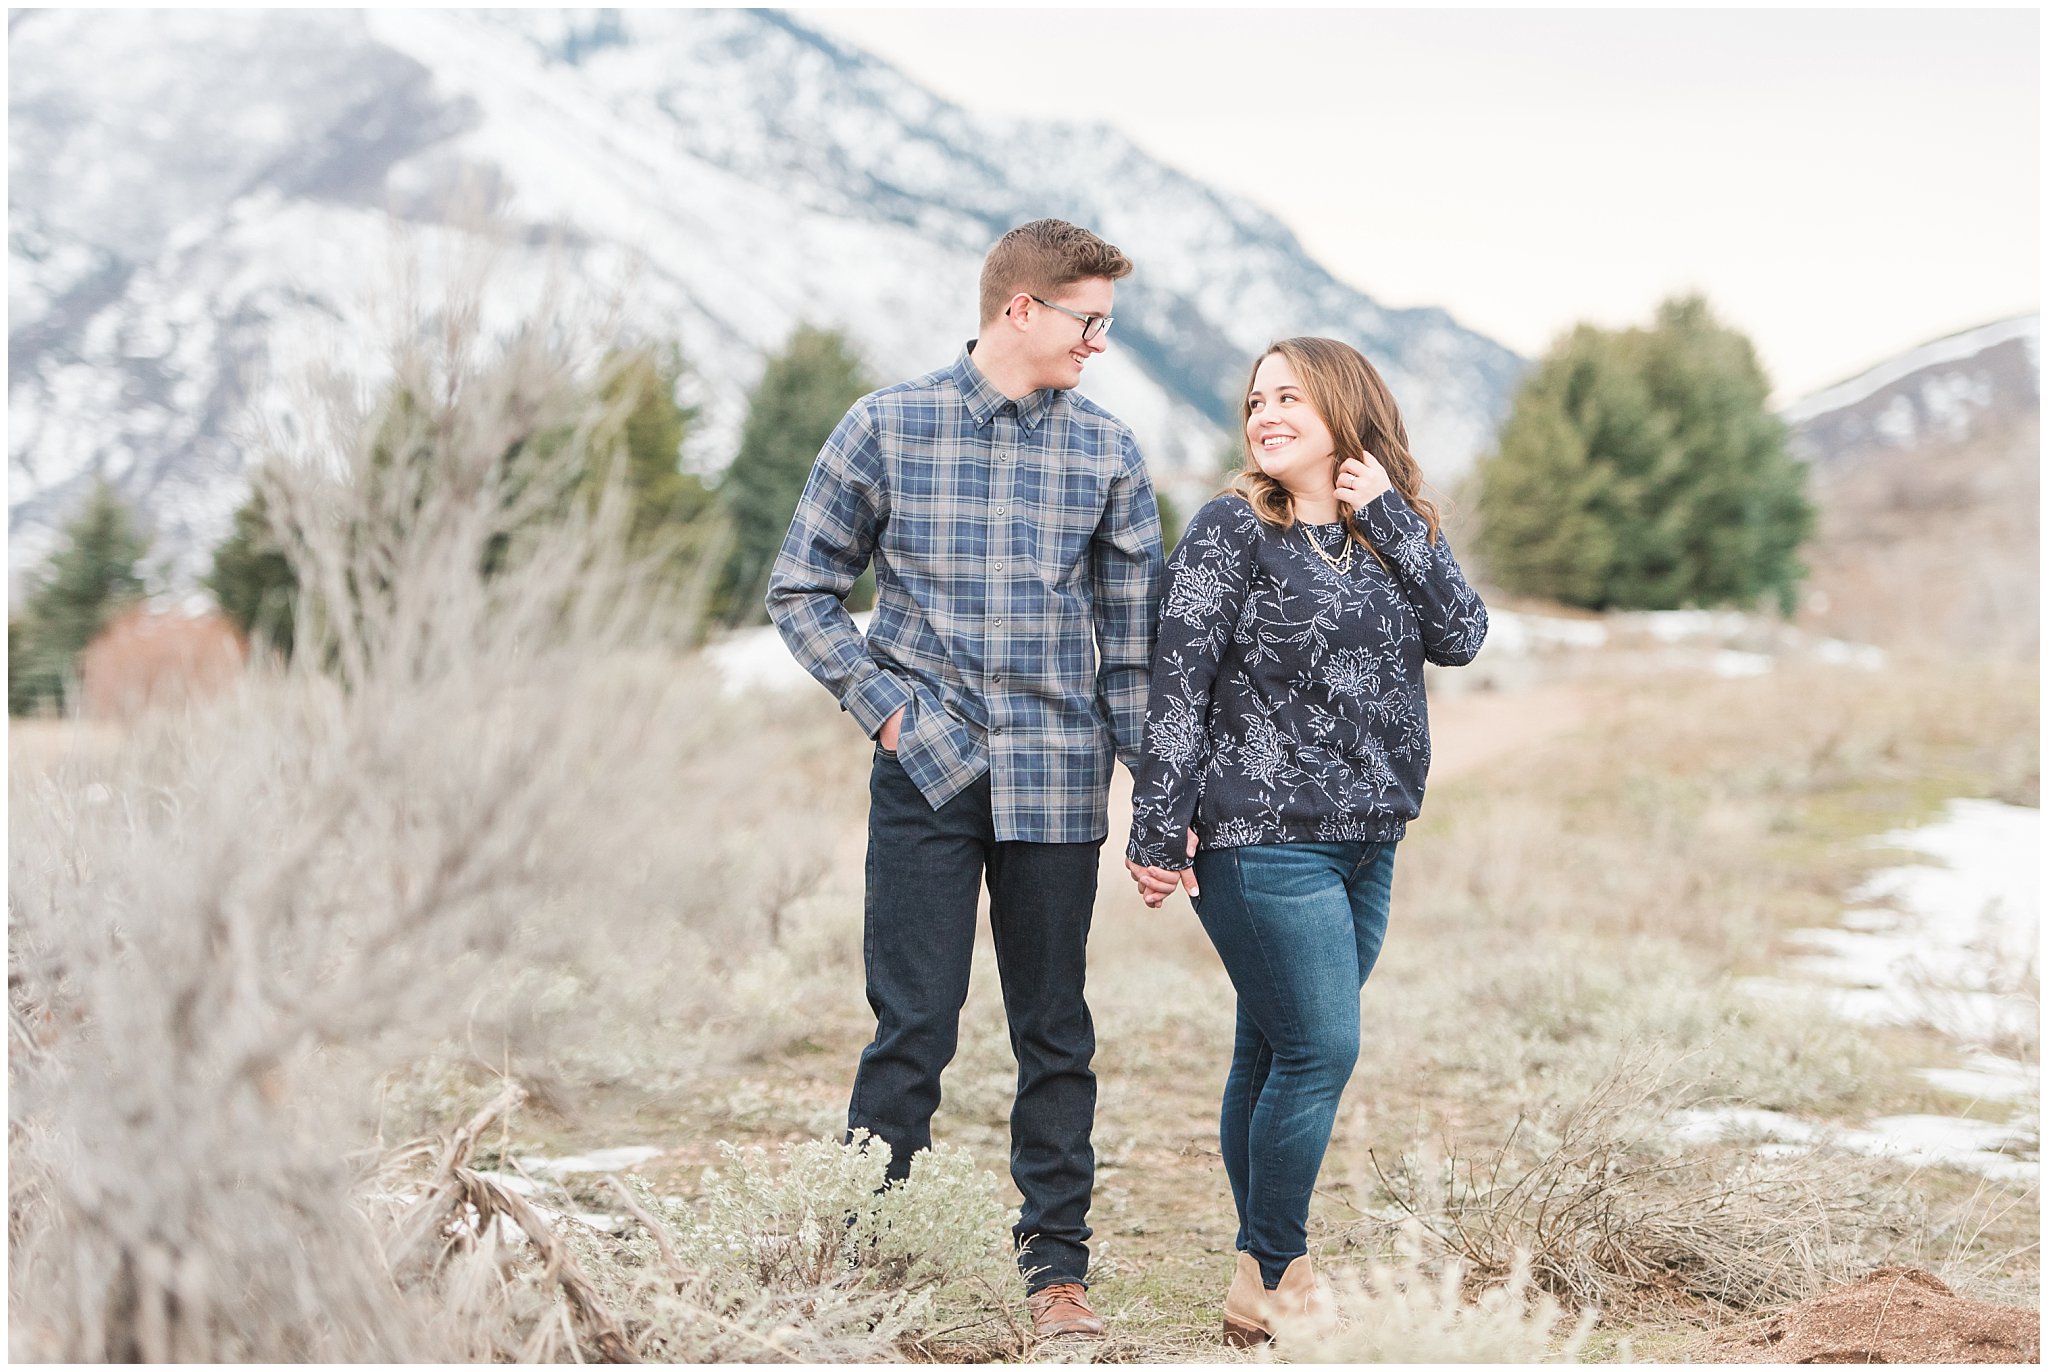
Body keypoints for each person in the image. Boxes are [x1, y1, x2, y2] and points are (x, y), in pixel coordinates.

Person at [767, 219, 1166, 1340]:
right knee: (912, 1025)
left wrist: (1162, 803)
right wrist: (889, 713)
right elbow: (801, 590)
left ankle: (1055, 1274)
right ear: (1020, 310)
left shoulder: (1109, 452)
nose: (1099, 342)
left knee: (1055, 1029)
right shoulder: (883, 427)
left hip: (1055, 782)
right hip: (924, 779)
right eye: (1088, 320)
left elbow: (1133, 653)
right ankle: (863, 1261)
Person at [1123, 337, 1487, 1344]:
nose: (1264, 412)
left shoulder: (1389, 530)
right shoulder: (1228, 530)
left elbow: (1460, 633)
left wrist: (1389, 520)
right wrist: (1156, 827)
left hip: (1369, 839)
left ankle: (1255, 1280)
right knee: (1321, 1046)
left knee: (1276, 1045)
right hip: (1258, 838)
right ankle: (1279, 1272)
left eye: (1288, 395)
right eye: (1254, 399)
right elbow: (1176, 684)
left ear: (1342, 407)